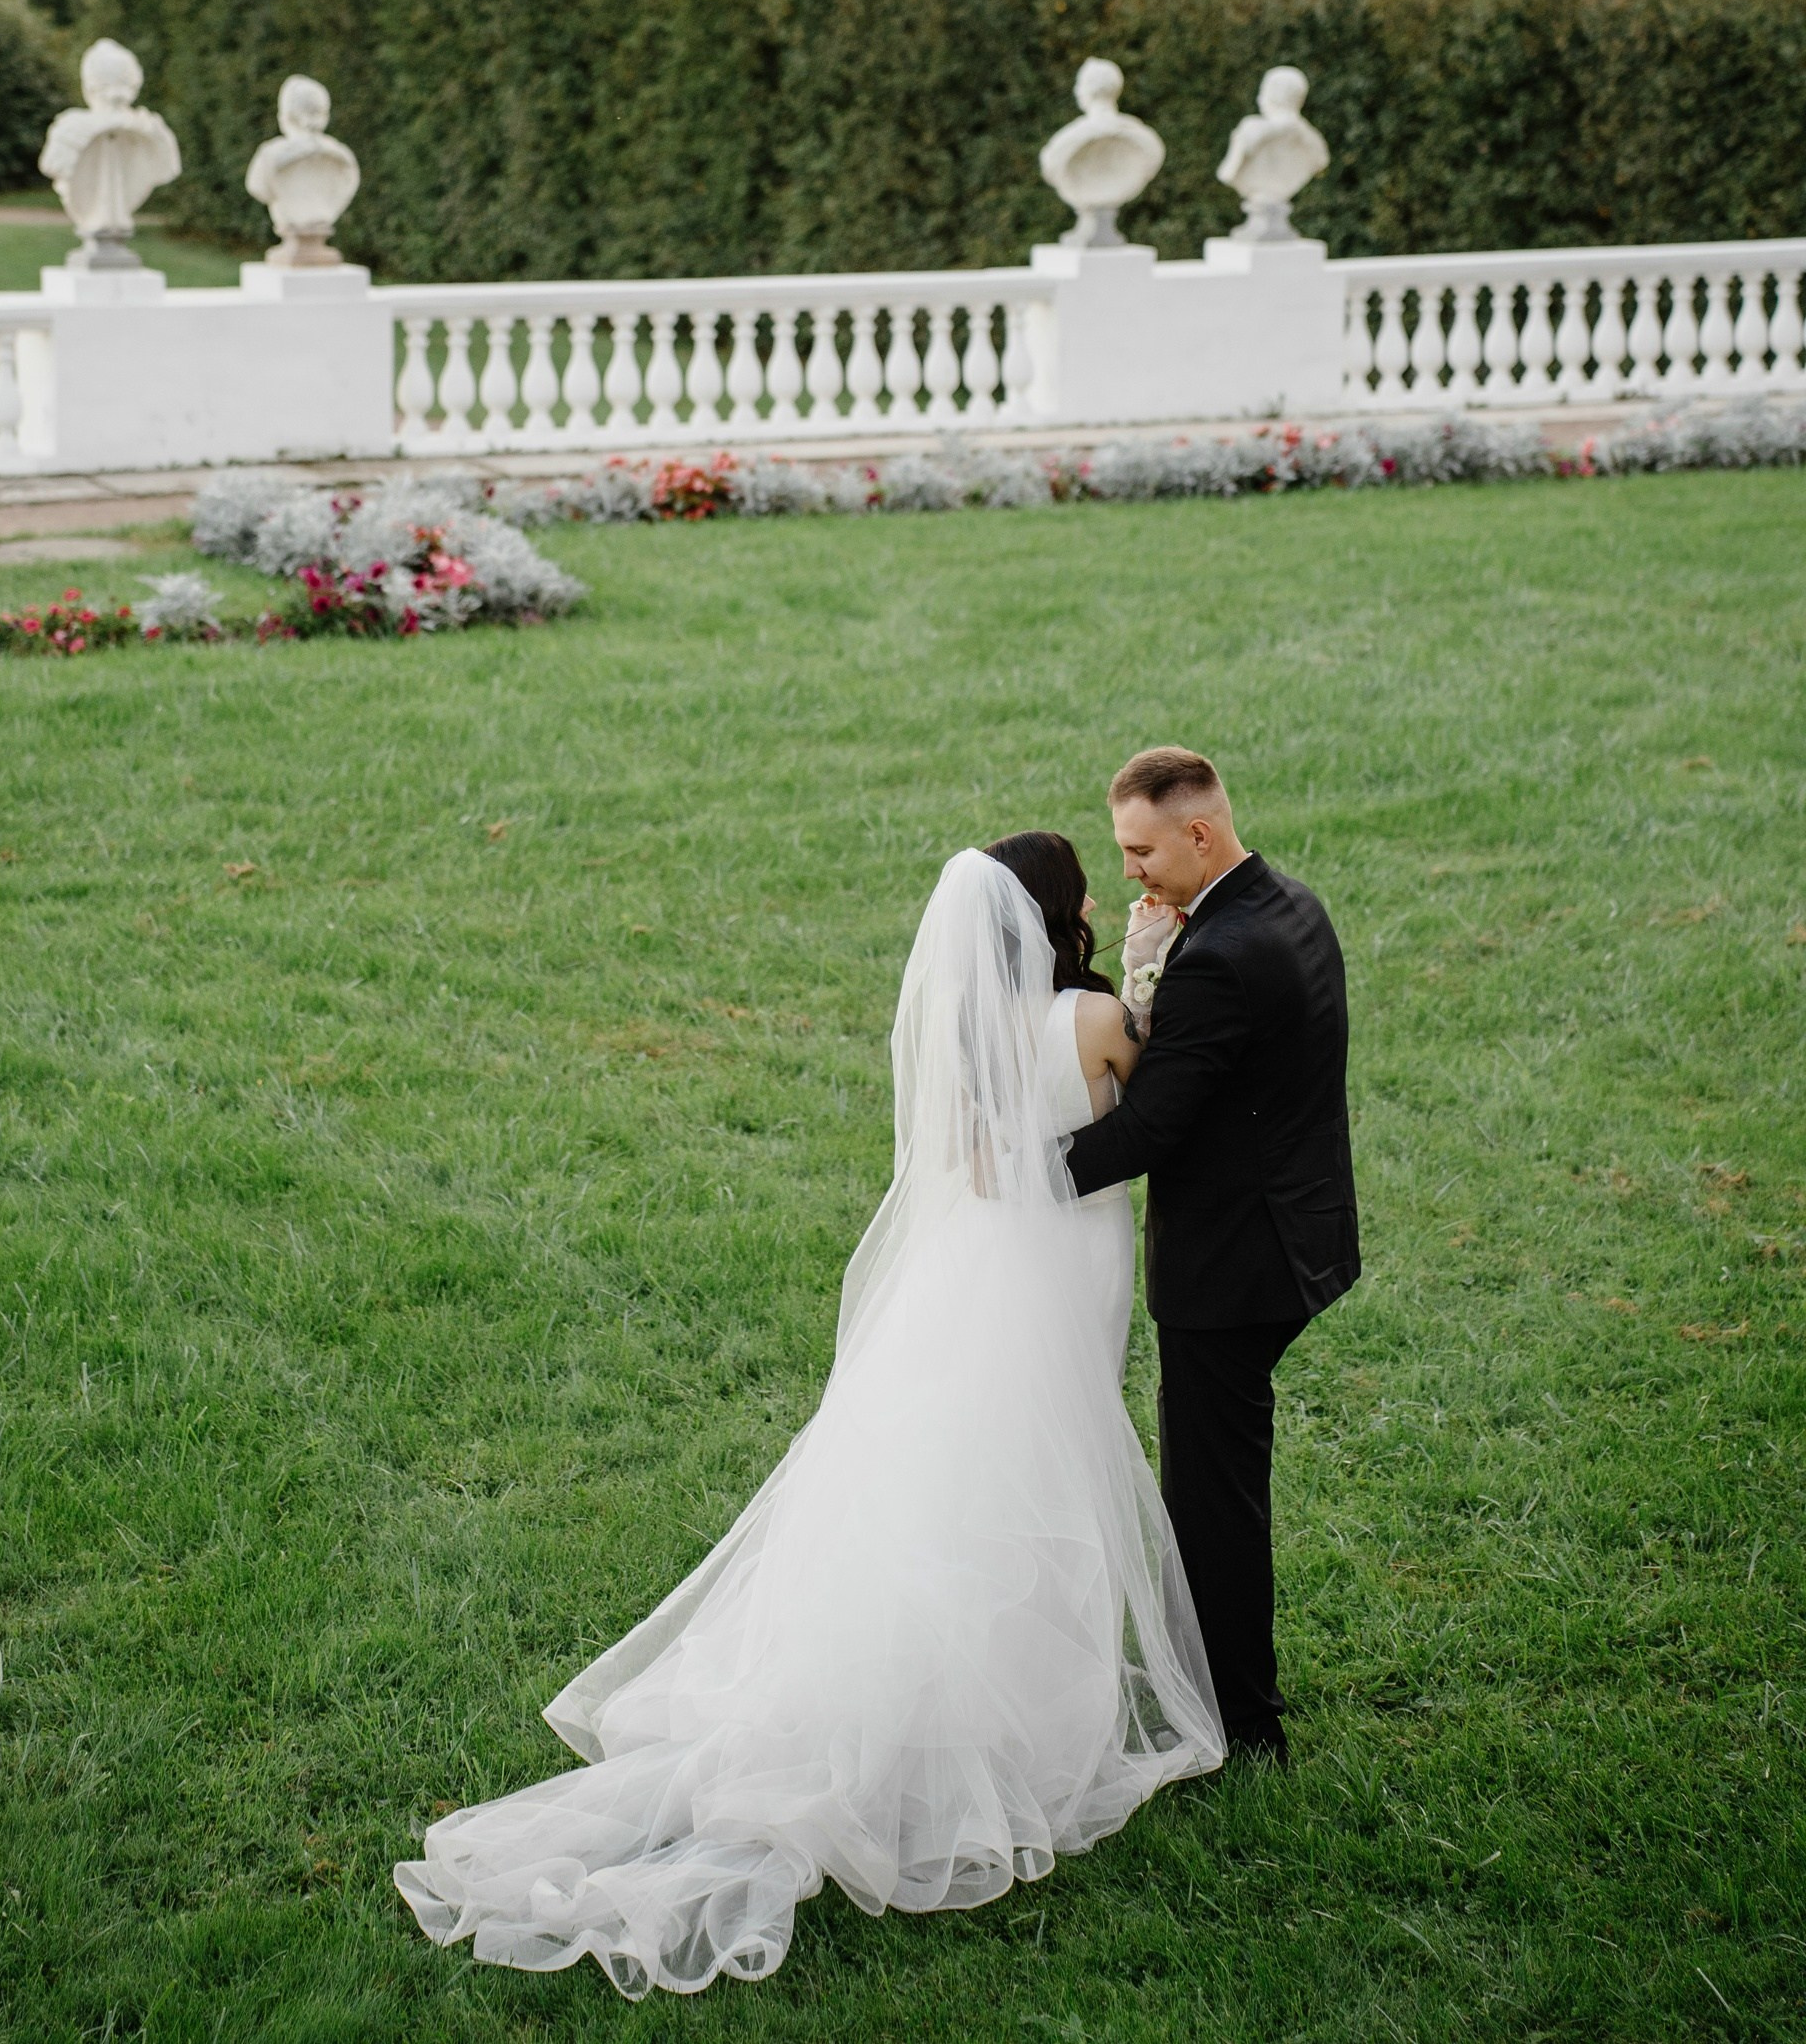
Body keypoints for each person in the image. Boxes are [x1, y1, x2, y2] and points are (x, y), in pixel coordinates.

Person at [395, 845, 1223, 1998]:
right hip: (1056, 1272)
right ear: (1056, 915)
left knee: (953, 1474)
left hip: (967, 1272)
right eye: (1080, 891)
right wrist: (1151, 974)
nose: (1092, 902)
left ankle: (947, 1696)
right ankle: (1015, 1718)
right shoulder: (1089, 1020)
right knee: (1044, 1469)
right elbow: (1165, 1097)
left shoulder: (953, 1028)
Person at [1062, 747, 1359, 1767]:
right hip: (1299, 1228)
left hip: (1235, 1268)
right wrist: (1152, 971)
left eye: (1141, 851)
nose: (1129, 873)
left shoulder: (1223, 958)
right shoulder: (1289, 904)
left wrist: (1011, 1173)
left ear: (1198, 833)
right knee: (1217, 1488)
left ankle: (1244, 1723)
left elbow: (1146, 1132)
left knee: (1213, 1501)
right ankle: (1224, 1697)